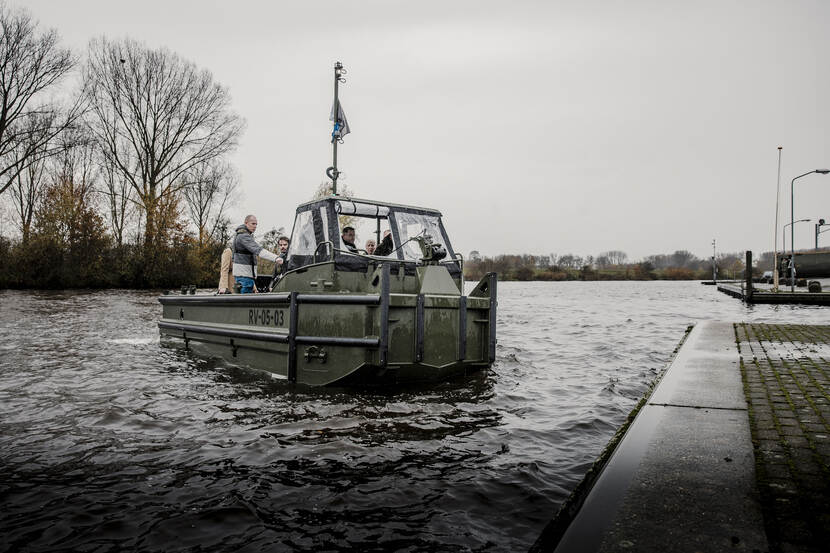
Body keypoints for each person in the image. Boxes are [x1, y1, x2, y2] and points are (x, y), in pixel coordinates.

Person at [233, 215, 281, 293]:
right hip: (245, 276)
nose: (255, 226)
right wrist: (276, 258)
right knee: (246, 302)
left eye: (256, 224)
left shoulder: (240, 235)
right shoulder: (244, 237)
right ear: (246, 223)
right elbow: (259, 251)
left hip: (244, 275)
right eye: (253, 224)